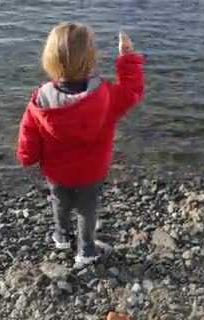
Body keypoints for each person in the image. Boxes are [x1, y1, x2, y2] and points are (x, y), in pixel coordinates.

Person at [16, 22, 145, 265]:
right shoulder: (106, 95)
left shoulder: (41, 98)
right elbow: (132, 90)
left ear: (50, 58)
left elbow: (28, 133)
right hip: (92, 171)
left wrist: (27, 157)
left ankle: (62, 236)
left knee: (59, 201)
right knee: (87, 209)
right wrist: (127, 57)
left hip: (56, 170)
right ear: (91, 57)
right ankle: (85, 251)